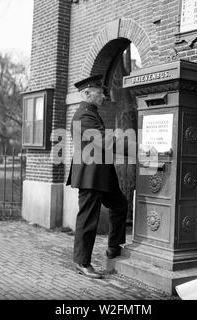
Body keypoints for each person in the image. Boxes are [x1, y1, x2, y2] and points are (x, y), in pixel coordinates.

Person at [66, 74, 129, 279]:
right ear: (87, 93)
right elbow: (104, 141)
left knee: (120, 205)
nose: (104, 96)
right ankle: (82, 262)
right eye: (100, 92)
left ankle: (113, 247)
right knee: (88, 220)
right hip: (91, 176)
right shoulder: (83, 115)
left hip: (101, 175)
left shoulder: (91, 113)